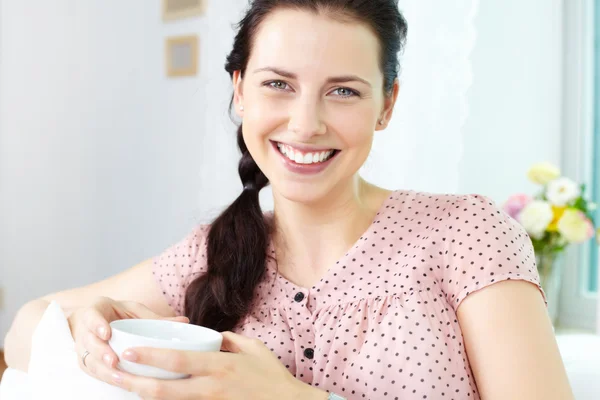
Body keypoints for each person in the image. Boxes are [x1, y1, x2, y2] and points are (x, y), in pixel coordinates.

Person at [4, 0, 574, 399]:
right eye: (278, 83)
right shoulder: (217, 252)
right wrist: (85, 328)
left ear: (387, 103)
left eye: (344, 91)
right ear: (240, 90)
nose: (305, 124)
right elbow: (26, 326)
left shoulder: (465, 233)